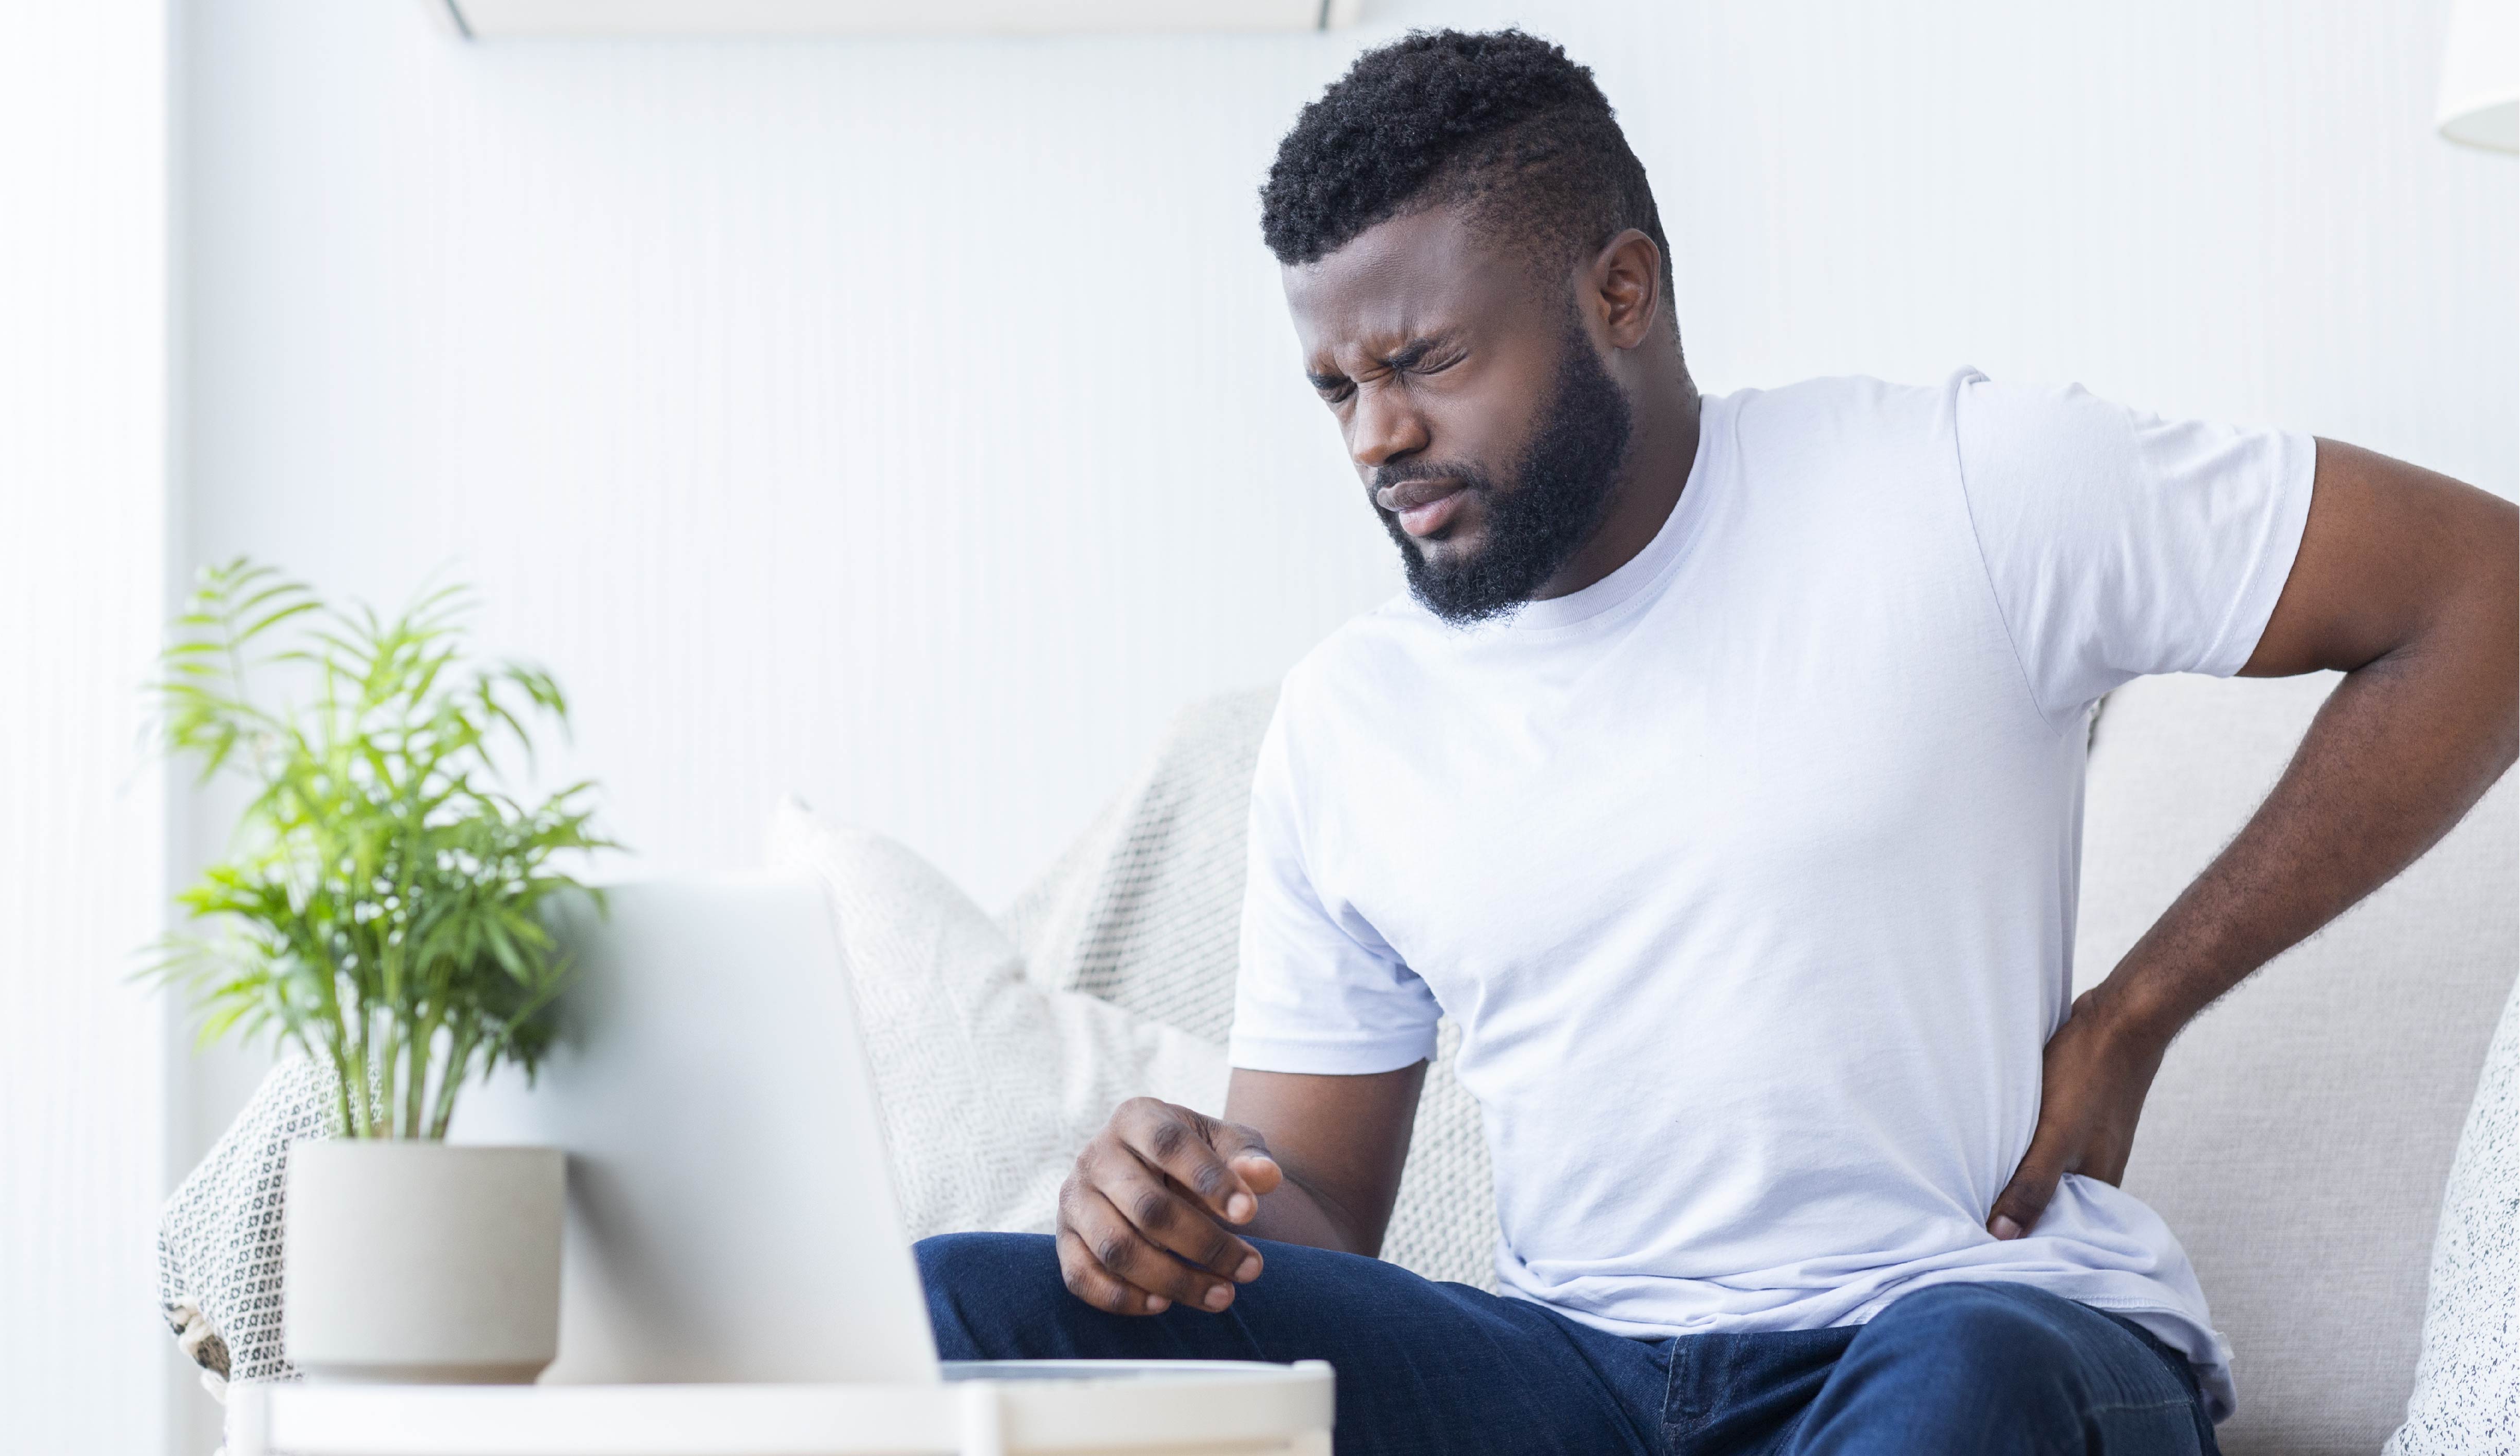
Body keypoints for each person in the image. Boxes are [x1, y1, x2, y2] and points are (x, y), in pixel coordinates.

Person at [914, 28, 2517, 1456]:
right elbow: (1321, 1219)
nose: (1375, 435)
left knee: (1964, 1370)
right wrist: (1188, 1211)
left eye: (1424, 362)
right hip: (1583, 1380)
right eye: (1334, 385)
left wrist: (2134, 1015)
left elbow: (2483, 594)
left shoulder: (1955, 491)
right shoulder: (1355, 718)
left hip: (1965, 1332)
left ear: (1620, 290)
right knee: (953, 1312)